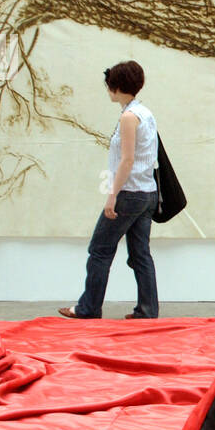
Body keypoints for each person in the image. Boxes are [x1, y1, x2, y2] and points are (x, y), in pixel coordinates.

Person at [59, 61, 160, 320]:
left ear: (116, 87)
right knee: (140, 254)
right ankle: (148, 310)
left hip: (129, 193)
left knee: (100, 249)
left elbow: (127, 160)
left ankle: (88, 308)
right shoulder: (146, 113)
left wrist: (112, 196)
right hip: (148, 193)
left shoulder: (128, 117)